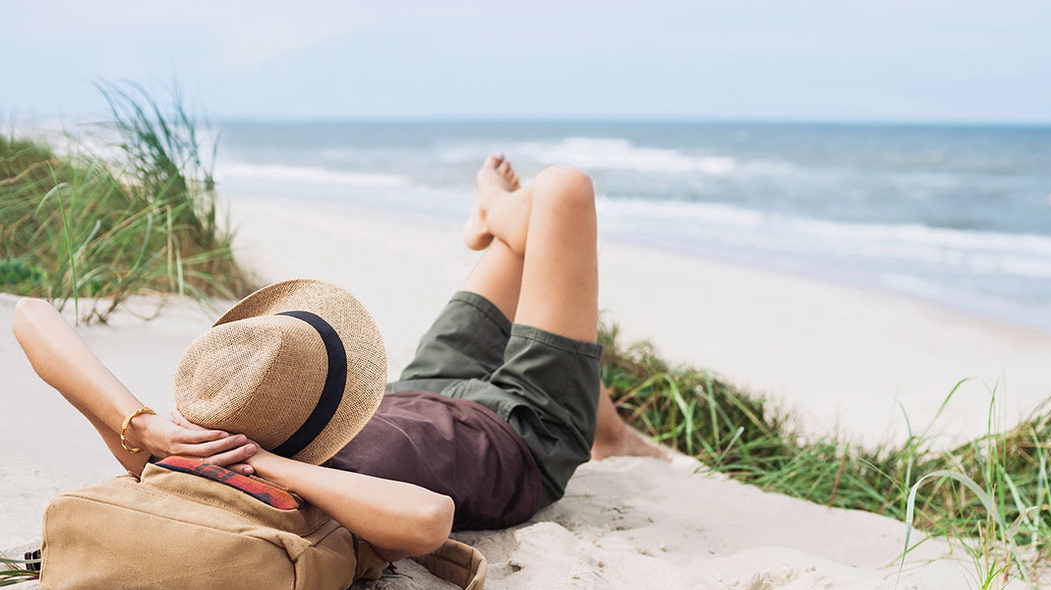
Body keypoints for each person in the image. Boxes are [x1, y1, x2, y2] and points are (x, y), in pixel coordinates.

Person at [11, 153, 664, 564]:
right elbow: (429, 519)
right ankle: (495, 213)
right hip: (523, 429)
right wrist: (272, 465)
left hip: (415, 391)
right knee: (565, 190)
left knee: (537, 242)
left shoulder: (180, 453)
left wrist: (143, 425)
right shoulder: (289, 504)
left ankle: (505, 232)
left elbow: (30, 317)